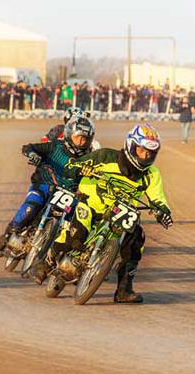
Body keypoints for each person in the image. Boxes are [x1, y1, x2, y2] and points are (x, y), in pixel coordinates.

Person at [33, 123, 173, 303]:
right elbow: (70, 167)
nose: (145, 156)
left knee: (137, 237)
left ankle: (124, 289)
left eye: (150, 153)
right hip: (91, 203)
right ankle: (47, 263)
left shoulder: (152, 174)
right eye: (141, 151)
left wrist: (163, 211)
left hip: (119, 214)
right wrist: (80, 168)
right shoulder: (105, 156)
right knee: (78, 230)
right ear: (130, 145)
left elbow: (158, 197)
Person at [0, 112, 95, 256]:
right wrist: (33, 155)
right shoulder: (55, 146)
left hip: (69, 194)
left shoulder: (90, 158)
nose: (81, 142)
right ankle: (3, 238)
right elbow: (29, 147)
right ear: (69, 134)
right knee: (31, 207)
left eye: (85, 139)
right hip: (44, 184)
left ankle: (52, 260)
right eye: (78, 138)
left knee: (71, 225)